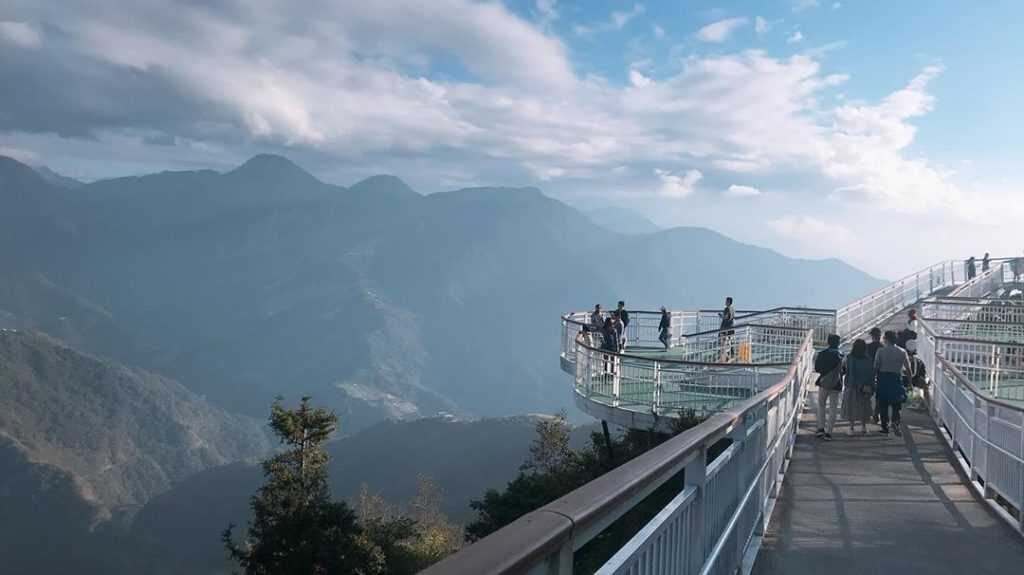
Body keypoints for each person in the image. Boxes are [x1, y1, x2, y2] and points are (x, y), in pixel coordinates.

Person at [874, 330, 913, 437]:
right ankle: (896, 422)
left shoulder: (881, 351)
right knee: (897, 404)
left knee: (883, 404)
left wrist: (873, 380)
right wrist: (910, 382)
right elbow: (908, 369)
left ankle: (885, 427)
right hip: (896, 378)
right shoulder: (902, 351)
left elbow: (876, 367)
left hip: (883, 379)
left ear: (886, 338)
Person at [814, 334, 844, 441]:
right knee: (833, 408)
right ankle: (829, 432)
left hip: (824, 383)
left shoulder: (822, 354)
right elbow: (843, 371)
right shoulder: (841, 355)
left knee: (821, 405)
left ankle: (820, 428)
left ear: (828, 342)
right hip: (836, 384)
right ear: (838, 343)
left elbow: (817, 369)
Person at [842, 339, 874, 434]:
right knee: (864, 406)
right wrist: (870, 385)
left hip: (853, 386)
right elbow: (870, 374)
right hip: (865, 386)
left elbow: (850, 373)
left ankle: (851, 428)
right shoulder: (868, 359)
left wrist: (849, 384)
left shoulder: (850, 357)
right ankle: (863, 427)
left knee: (852, 407)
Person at [867, 327, 884, 424]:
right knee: (879, 396)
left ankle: (868, 413)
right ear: (880, 336)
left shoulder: (868, 347)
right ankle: (876, 414)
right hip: (881, 373)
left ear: (872, 336)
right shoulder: (883, 347)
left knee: (867, 394)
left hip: (869, 373)